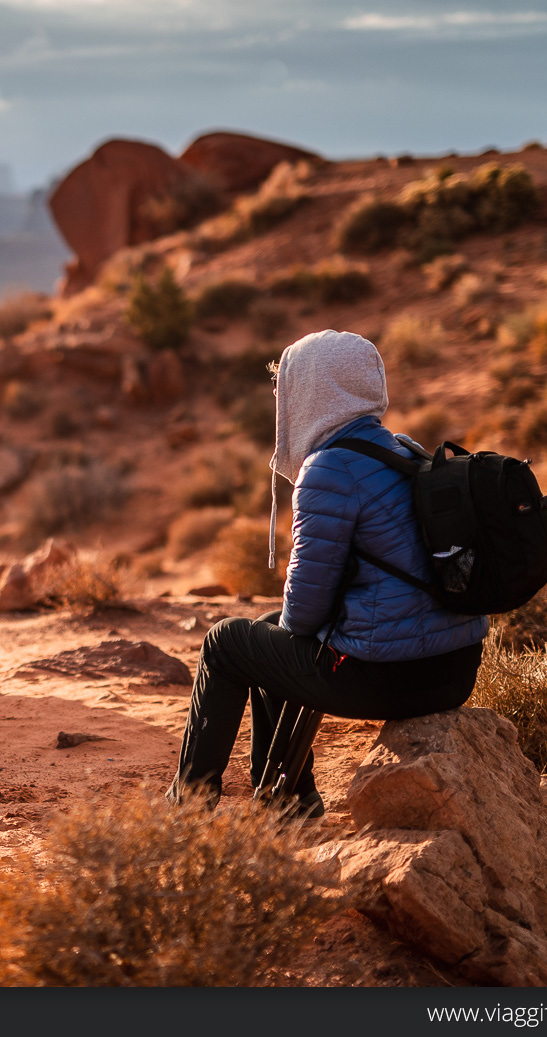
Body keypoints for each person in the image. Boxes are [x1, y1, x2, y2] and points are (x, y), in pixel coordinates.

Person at [166, 329, 487, 816]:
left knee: (227, 642)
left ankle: (187, 810)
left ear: (312, 393)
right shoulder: (405, 451)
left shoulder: (330, 470)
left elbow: (305, 613)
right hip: (454, 669)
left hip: (386, 678)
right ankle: (288, 800)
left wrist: (298, 608)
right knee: (268, 633)